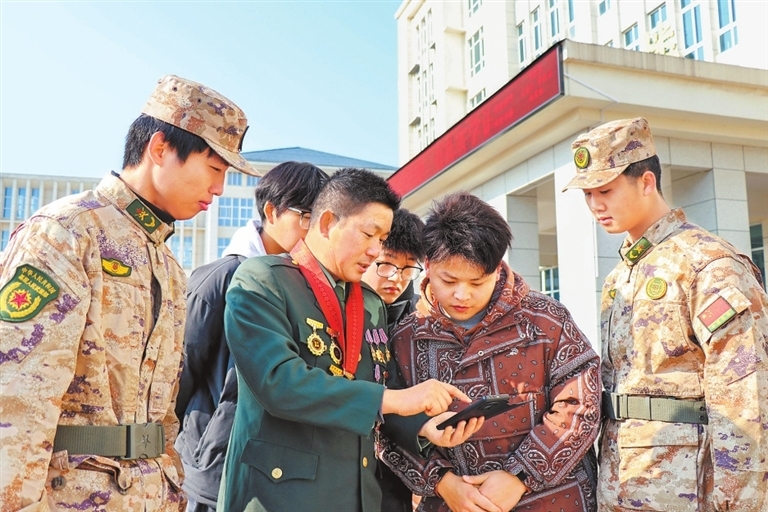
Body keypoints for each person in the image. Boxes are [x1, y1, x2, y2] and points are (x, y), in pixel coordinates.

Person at [0, 75, 259, 510]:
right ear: (160, 149)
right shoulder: (68, 233)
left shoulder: (170, 267)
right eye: (215, 169)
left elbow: (165, 415)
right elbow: (16, 393)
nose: (219, 188)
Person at [217, 168, 475, 512]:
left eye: (382, 239)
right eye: (369, 234)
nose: (375, 250)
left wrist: (427, 426)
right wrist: (395, 400)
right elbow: (279, 384)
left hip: (356, 494)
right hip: (279, 496)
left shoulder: (369, 303)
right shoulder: (262, 280)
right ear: (326, 223)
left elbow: (383, 388)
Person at [562, 117, 768, 512]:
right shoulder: (620, 277)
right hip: (622, 484)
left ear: (646, 182)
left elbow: (745, 401)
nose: (595, 205)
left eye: (604, 189)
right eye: (587, 194)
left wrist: (738, 505)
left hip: (686, 491)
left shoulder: (707, 264)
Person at [379, 192, 601, 512]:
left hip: (554, 501)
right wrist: (443, 482)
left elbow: (580, 405)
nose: (461, 294)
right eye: (449, 279)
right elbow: (385, 427)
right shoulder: (404, 337)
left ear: (497, 269)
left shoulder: (546, 319)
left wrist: (520, 476)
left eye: (477, 282)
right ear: (428, 265)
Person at [174, 161, 329, 512]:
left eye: (323, 219)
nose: (315, 229)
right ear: (271, 211)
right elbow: (179, 376)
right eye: (306, 215)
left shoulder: (306, 284)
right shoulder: (223, 276)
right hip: (217, 467)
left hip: (281, 470)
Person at [361, 208, 426, 512]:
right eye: (386, 265)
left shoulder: (418, 319)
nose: (396, 279)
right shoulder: (336, 308)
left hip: (395, 480)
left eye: (408, 269)